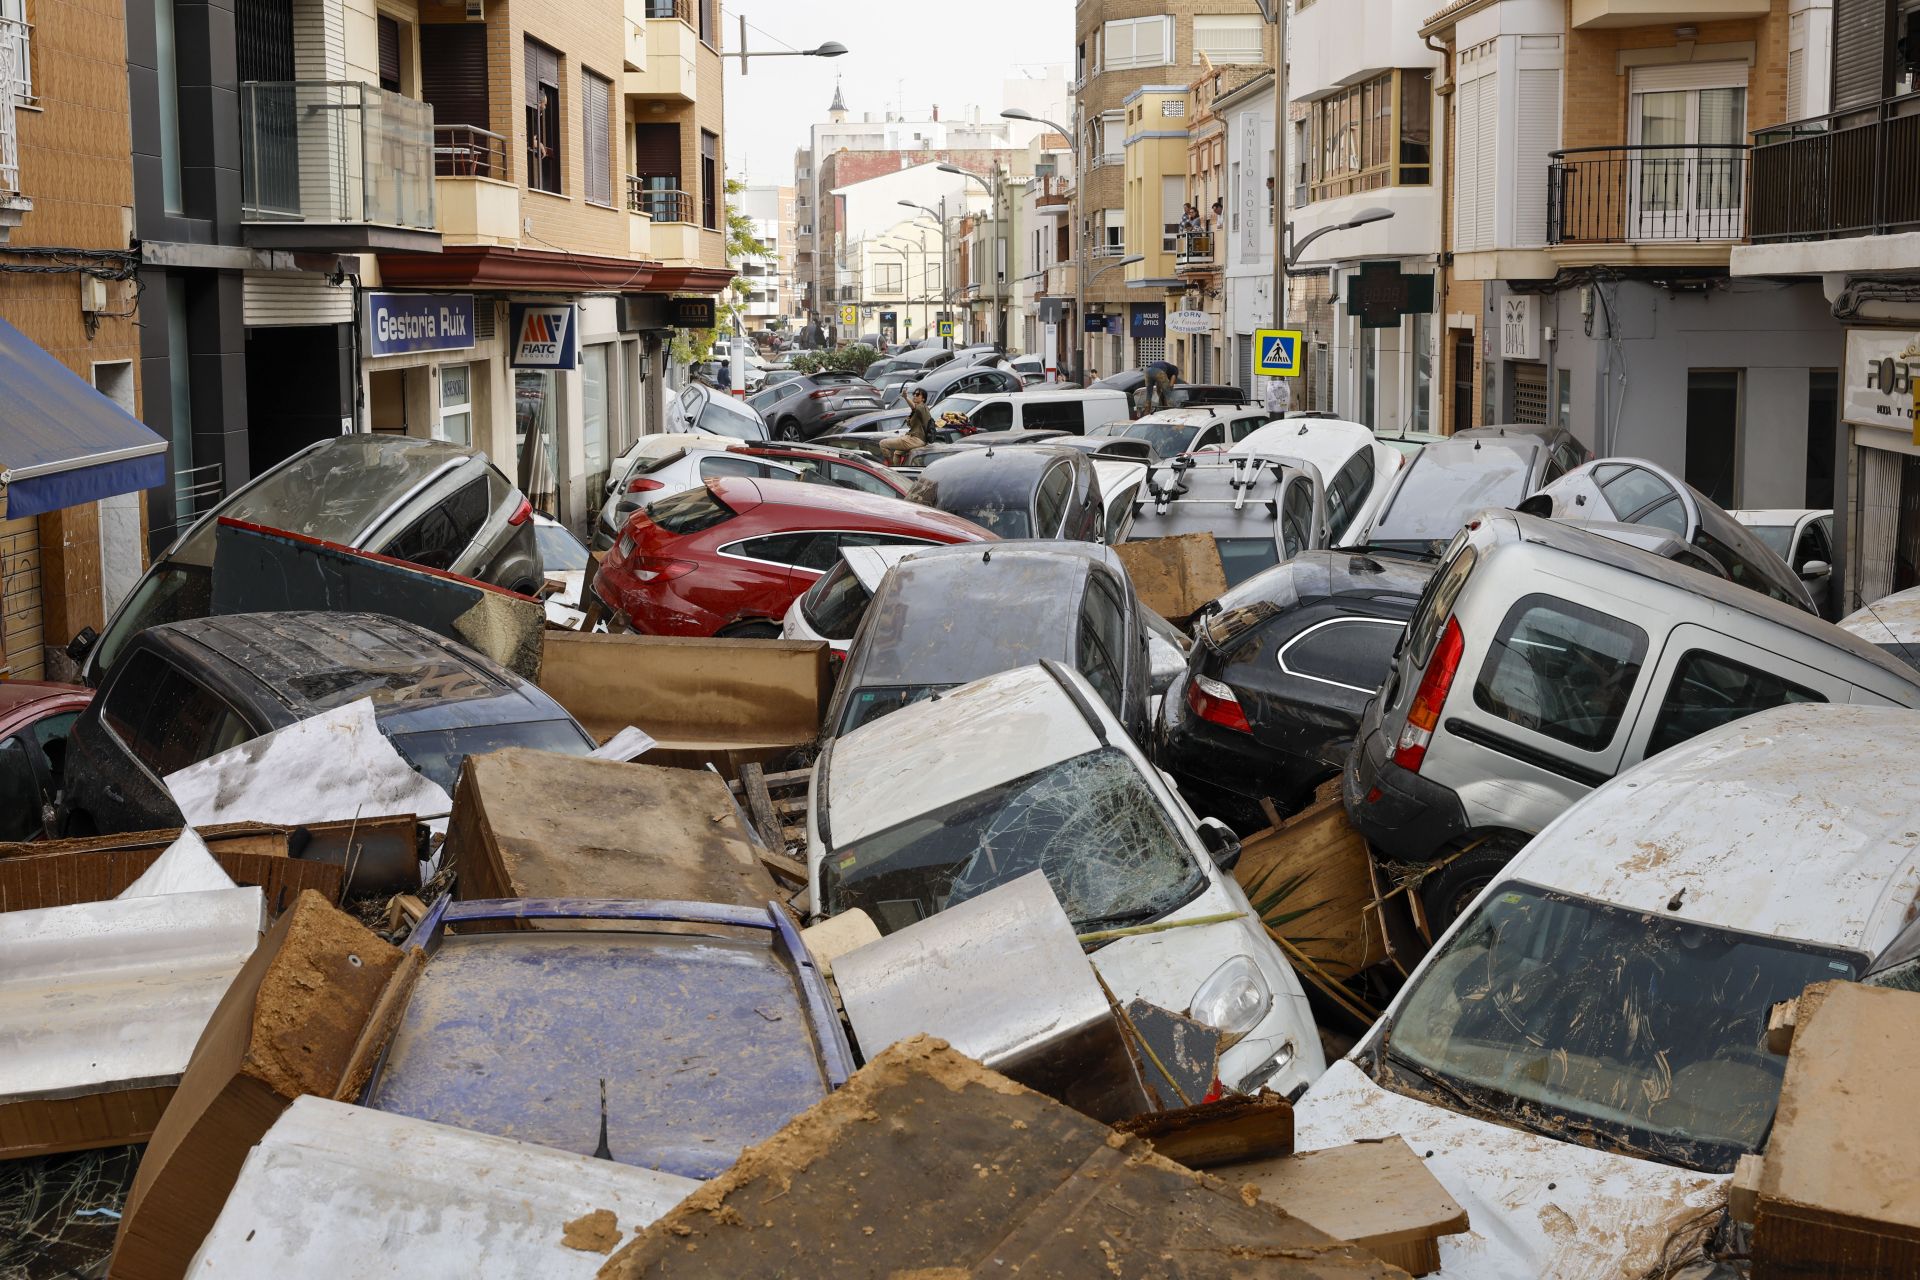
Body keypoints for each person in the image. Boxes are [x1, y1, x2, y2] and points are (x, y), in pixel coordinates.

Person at [880, 388, 934, 465]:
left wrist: (905, 397)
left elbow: (914, 406)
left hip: (916, 439)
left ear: (923, 399)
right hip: (913, 438)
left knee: (883, 444)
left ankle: (891, 468)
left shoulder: (922, 407)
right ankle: (898, 470)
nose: (915, 396)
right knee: (897, 453)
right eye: (914, 394)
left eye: (918, 394)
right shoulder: (918, 409)